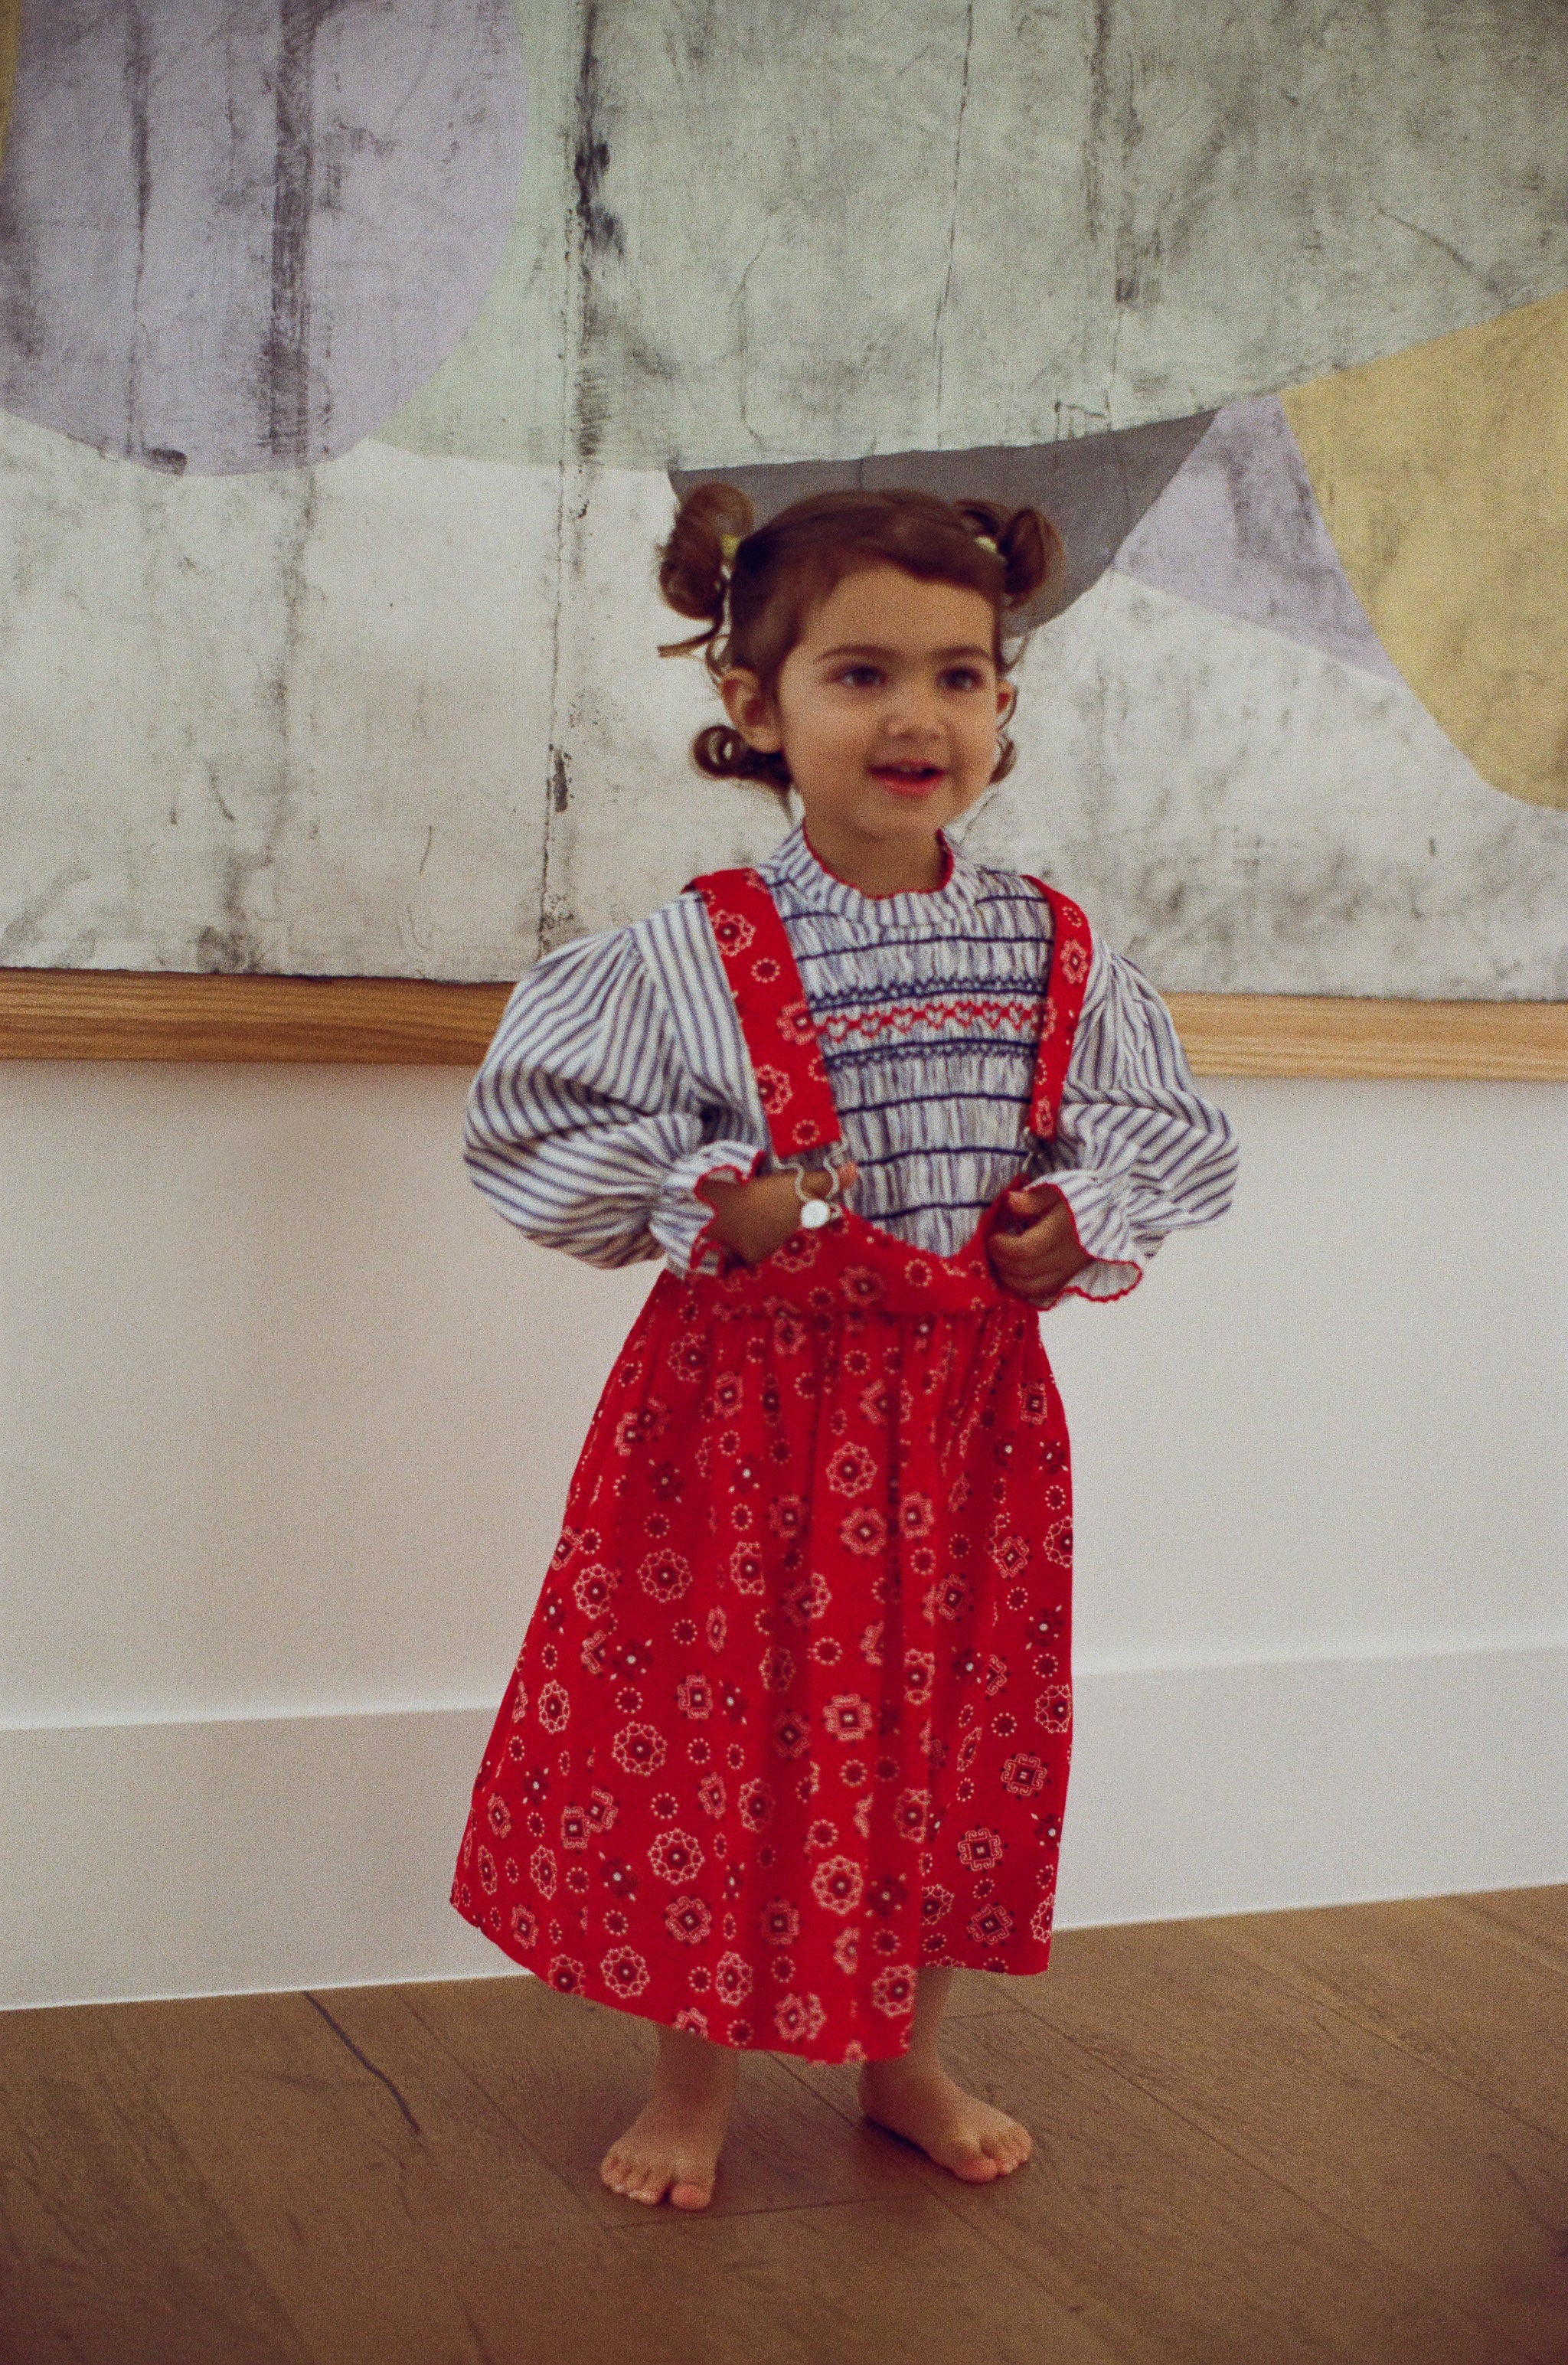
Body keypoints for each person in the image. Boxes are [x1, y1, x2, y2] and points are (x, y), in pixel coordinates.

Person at [451, 484, 1237, 2210]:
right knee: (723, 1741)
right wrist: (712, 1201)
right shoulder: (696, 951)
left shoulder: (1055, 947)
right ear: (757, 706)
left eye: (957, 676)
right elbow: (528, 1125)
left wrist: (1079, 1215)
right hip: (747, 1420)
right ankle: (691, 2079)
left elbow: (1169, 1132)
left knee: (955, 1733)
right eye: (860, 673)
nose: (914, 717)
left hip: (967, 1419)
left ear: (1003, 707)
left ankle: (906, 2056)